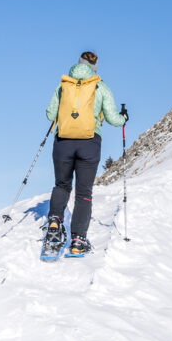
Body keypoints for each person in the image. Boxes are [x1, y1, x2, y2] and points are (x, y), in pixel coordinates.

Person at [43, 51, 127, 257]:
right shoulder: (100, 85)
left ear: (77, 64)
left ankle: (54, 223)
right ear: (95, 67)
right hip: (89, 143)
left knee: (61, 185)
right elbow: (113, 119)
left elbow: (49, 114)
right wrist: (124, 118)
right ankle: (78, 240)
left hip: (63, 141)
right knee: (83, 193)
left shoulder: (64, 84)